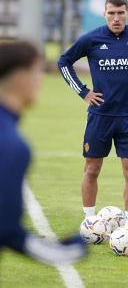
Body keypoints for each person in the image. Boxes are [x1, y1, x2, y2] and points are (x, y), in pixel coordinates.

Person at [58, 0, 128, 226]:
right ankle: (89, 222)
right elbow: (64, 62)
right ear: (104, 13)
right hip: (100, 116)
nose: (116, 18)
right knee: (92, 168)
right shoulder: (91, 39)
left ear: (127, 14)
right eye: (111, 13)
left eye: (120, 13)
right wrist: (84, 92)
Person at [0, 41, 86, 266]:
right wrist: (65, 252)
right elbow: (6, 228)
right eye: (37, 73)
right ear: (20, 78)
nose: (41, 82)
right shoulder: (12, 144)